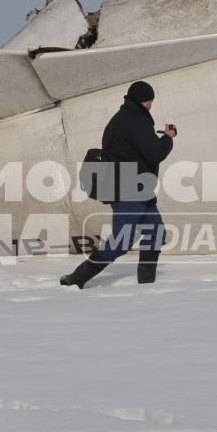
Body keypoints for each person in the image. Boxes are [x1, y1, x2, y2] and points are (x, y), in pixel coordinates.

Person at [61, 80, 177, 288]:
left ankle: (147, 286)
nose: (151, 105)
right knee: (121, 242)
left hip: (139, 191)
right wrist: (168, 137)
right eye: (150, 101)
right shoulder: (137, 121)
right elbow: (155, 154)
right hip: (129, 193)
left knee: (155, 233)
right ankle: (76, 279)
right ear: (144, 101)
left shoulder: (117, 120)